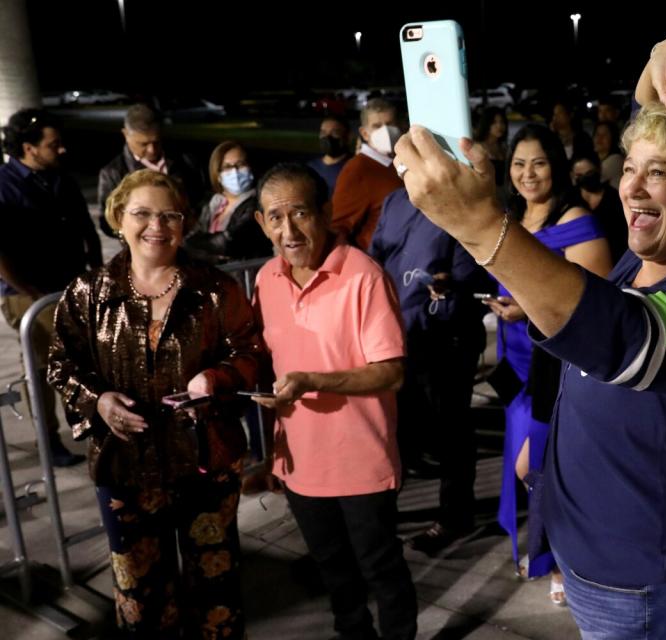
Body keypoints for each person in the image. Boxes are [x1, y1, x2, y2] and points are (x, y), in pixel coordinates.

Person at [394, 36, 666, 639]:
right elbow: (583, 356)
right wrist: (658, 56)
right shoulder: (643, 263)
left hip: (647, 582)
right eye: (629, 168)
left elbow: (623, 340)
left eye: (657, 173)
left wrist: (480, 226)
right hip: (594, 564)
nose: (631, 188)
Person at [47, 169, 263, 637]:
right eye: (142, 213)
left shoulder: (214, 288)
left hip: (209, 460)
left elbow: (249, 352)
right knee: (140, 597)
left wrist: (217, 377)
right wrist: (97, 400)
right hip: (125, 466)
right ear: (118, 219)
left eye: (169, 215)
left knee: (215, 588)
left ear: (184, 224)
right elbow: (60, 366)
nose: (156, 225)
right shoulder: (89, 294)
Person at [251, 163, 418, 640]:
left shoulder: (363, 275)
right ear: (262, 224)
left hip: (361, 460)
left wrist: (312, 380)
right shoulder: (265, 279)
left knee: (380, 567)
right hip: (301, 462)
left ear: (325, 213)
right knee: (334, 572)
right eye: (276, 217)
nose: (289, 229)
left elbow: (391, 371)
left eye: (300, 213)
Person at [488, 123, 612, 605]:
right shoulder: (512, 217)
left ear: (555, 167)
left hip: (559, 367)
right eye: (518, 164)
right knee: (537, 467)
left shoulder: (576, 219)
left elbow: (595, 302)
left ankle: (567, 559)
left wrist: (530, 308)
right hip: (518, 364)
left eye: (538, 162)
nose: (527, 173)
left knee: (538, 466)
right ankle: (551, 554)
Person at [368, 186, 492, 553]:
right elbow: (377, 255)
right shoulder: (394, 200)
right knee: (397, 431)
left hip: (446, 337)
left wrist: (450, 286)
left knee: (451, 429)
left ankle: (456, 517)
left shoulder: (462, 197)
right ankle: (383, 519)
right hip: (398, 334)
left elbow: (476, 270)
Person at [0, 107, 102, 467]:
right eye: (52, 144)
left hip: (69, 287)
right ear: (29, 148)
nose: (61, 150)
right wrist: (24, 288)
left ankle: (84, 427)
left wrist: (94, 266)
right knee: (45, 368)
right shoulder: (4, 184)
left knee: (77, 360)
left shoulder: (60, 178)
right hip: (29, 295)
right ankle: (49, 440)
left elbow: (83, 228)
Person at [97, 103, 204, 235]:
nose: (151, 150)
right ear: (125, 134)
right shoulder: (112, 173)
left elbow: (200, 201)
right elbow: (106, 221)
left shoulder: (186, 161)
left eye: (156, 142)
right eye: (143, 144)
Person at [330, 98, 404, 250]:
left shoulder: (399, 162)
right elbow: (340, 226)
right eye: (377, 126)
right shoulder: (358, 169)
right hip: (379, 263)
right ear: (364, 133)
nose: (385, 131)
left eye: (390, 124)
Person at [184, 140, 273, 263]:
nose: (235, 171)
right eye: (227, 167)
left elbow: (229, 243)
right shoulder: (213, 204)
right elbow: (188, 241)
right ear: (218, 174)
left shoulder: (258, 203)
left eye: (240, 164)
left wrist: (198, 246)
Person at [571, 150, 628, 259]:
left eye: (589, 174)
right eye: (579, 175)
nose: (585, 178)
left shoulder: (614, 198)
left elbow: (622, 238)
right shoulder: (570, 199)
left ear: (599, 169)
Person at [307, 115, 352, 196]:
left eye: (334, 133)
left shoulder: (354, 167)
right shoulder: (311, 167)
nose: (327, 137)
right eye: (323, 132)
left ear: (348, 137)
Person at [593, 120, 625, 187]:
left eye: (604, 135)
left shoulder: (616, 160)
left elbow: (593, 183)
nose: (599, 138)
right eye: (597, 134)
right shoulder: (596, 160)